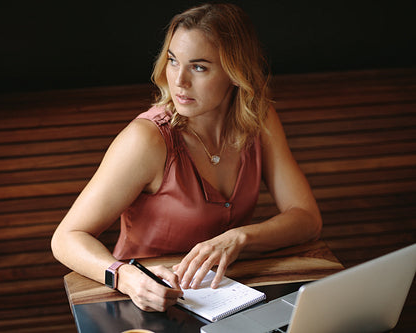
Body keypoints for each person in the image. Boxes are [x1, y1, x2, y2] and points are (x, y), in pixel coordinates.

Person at [51, 3, 322, 312]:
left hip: (226, 300)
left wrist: (240, 237)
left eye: (199, 67)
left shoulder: (258, 120)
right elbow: (66, 238)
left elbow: (307, 218)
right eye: (173, 61)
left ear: (236, 73)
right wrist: (125, 277)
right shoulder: (147, 139)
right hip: (142, 304)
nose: (179, 81)